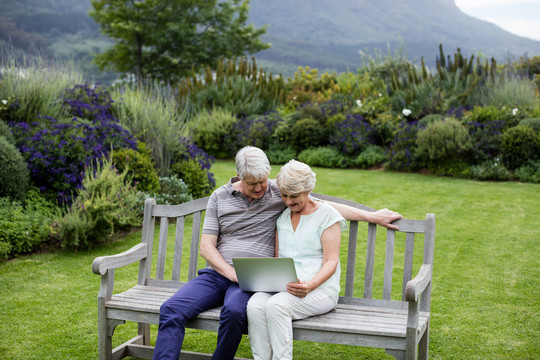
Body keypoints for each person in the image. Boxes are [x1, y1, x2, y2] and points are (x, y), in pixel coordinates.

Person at [152, 146, 401, 360]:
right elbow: (207, 246)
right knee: (171, 308)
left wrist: (371, 216)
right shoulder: (219, 197)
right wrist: (230, 272)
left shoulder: (278, 192)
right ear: (240, 176)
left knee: (235, 312)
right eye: (253, 183)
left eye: (263, 180)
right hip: (219, 273)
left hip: (254, 278)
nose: (261, 187)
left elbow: (319, 206)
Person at [247, 159, 346, 360]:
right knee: (255, 305)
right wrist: (269, 280)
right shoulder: (282, 218)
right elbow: (277, 259)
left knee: (277, 305)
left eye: (294, 196)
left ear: (308, 190)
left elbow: (331, 262)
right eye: (284, 195)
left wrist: (310, 285)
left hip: (319, 290)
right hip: (284, 288)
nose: (289, 201)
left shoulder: (328, 216)